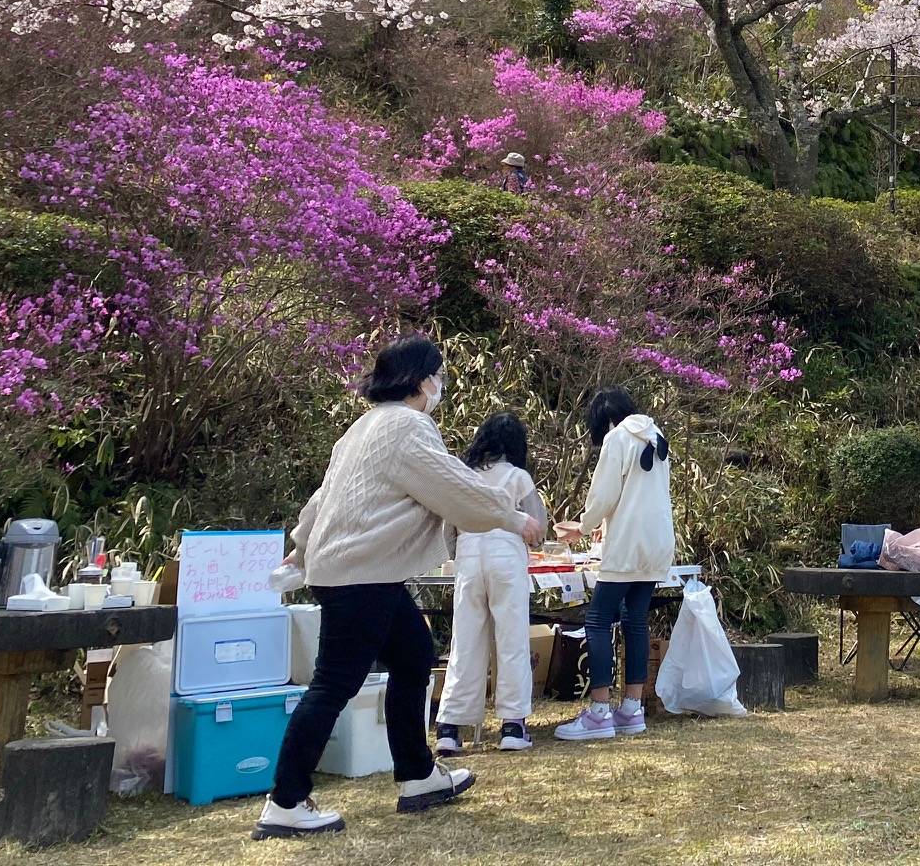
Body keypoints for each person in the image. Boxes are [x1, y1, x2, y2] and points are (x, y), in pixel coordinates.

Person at [255, 337, 544, 840]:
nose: (441, 385)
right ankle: (285, 800)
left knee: (413, 657)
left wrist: (302, 546)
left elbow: (325, 498)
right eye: (438, 375)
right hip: (360, 573)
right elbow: (452, 485)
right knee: (334, 685)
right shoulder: (409, 426)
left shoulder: (363, 428)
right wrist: (513, 517)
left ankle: (418, 776)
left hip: (360, 571)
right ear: (419, 379)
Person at [555, 387, 676, 740]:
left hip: (626, 548)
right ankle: (631, 709)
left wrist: (583, 526)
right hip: (656, 545)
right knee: (635, 620)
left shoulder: (617, 438)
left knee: (597, 620)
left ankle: (598, 713)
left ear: (606, 419)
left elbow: (604, 494)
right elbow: (643, 496)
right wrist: (605, 527)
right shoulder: (657, 436)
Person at [435, 413, 546, 756]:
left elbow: (447, 530)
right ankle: (513, 726)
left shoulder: (465, 476)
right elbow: (537, 528)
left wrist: (460, 553)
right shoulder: (518, 477)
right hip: (506, 559)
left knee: (465, 642)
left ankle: (450, 729)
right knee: (510, 640)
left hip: (469, 558)